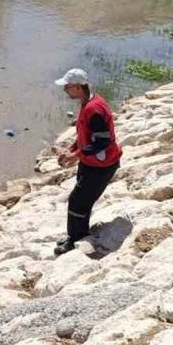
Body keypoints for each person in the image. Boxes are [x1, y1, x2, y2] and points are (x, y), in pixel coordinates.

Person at [53, 67, 123, 256]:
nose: (65, 90)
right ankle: (78, 235)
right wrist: (73, 148)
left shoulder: (94, 109)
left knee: (77, 201)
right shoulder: (88, 102)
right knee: (81, 200)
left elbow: (103, 140)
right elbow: (86, 133)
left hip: (102, 165)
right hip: (90, 162)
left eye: (67, 87)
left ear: (77, 87)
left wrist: (75, 155)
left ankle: (75, 239)